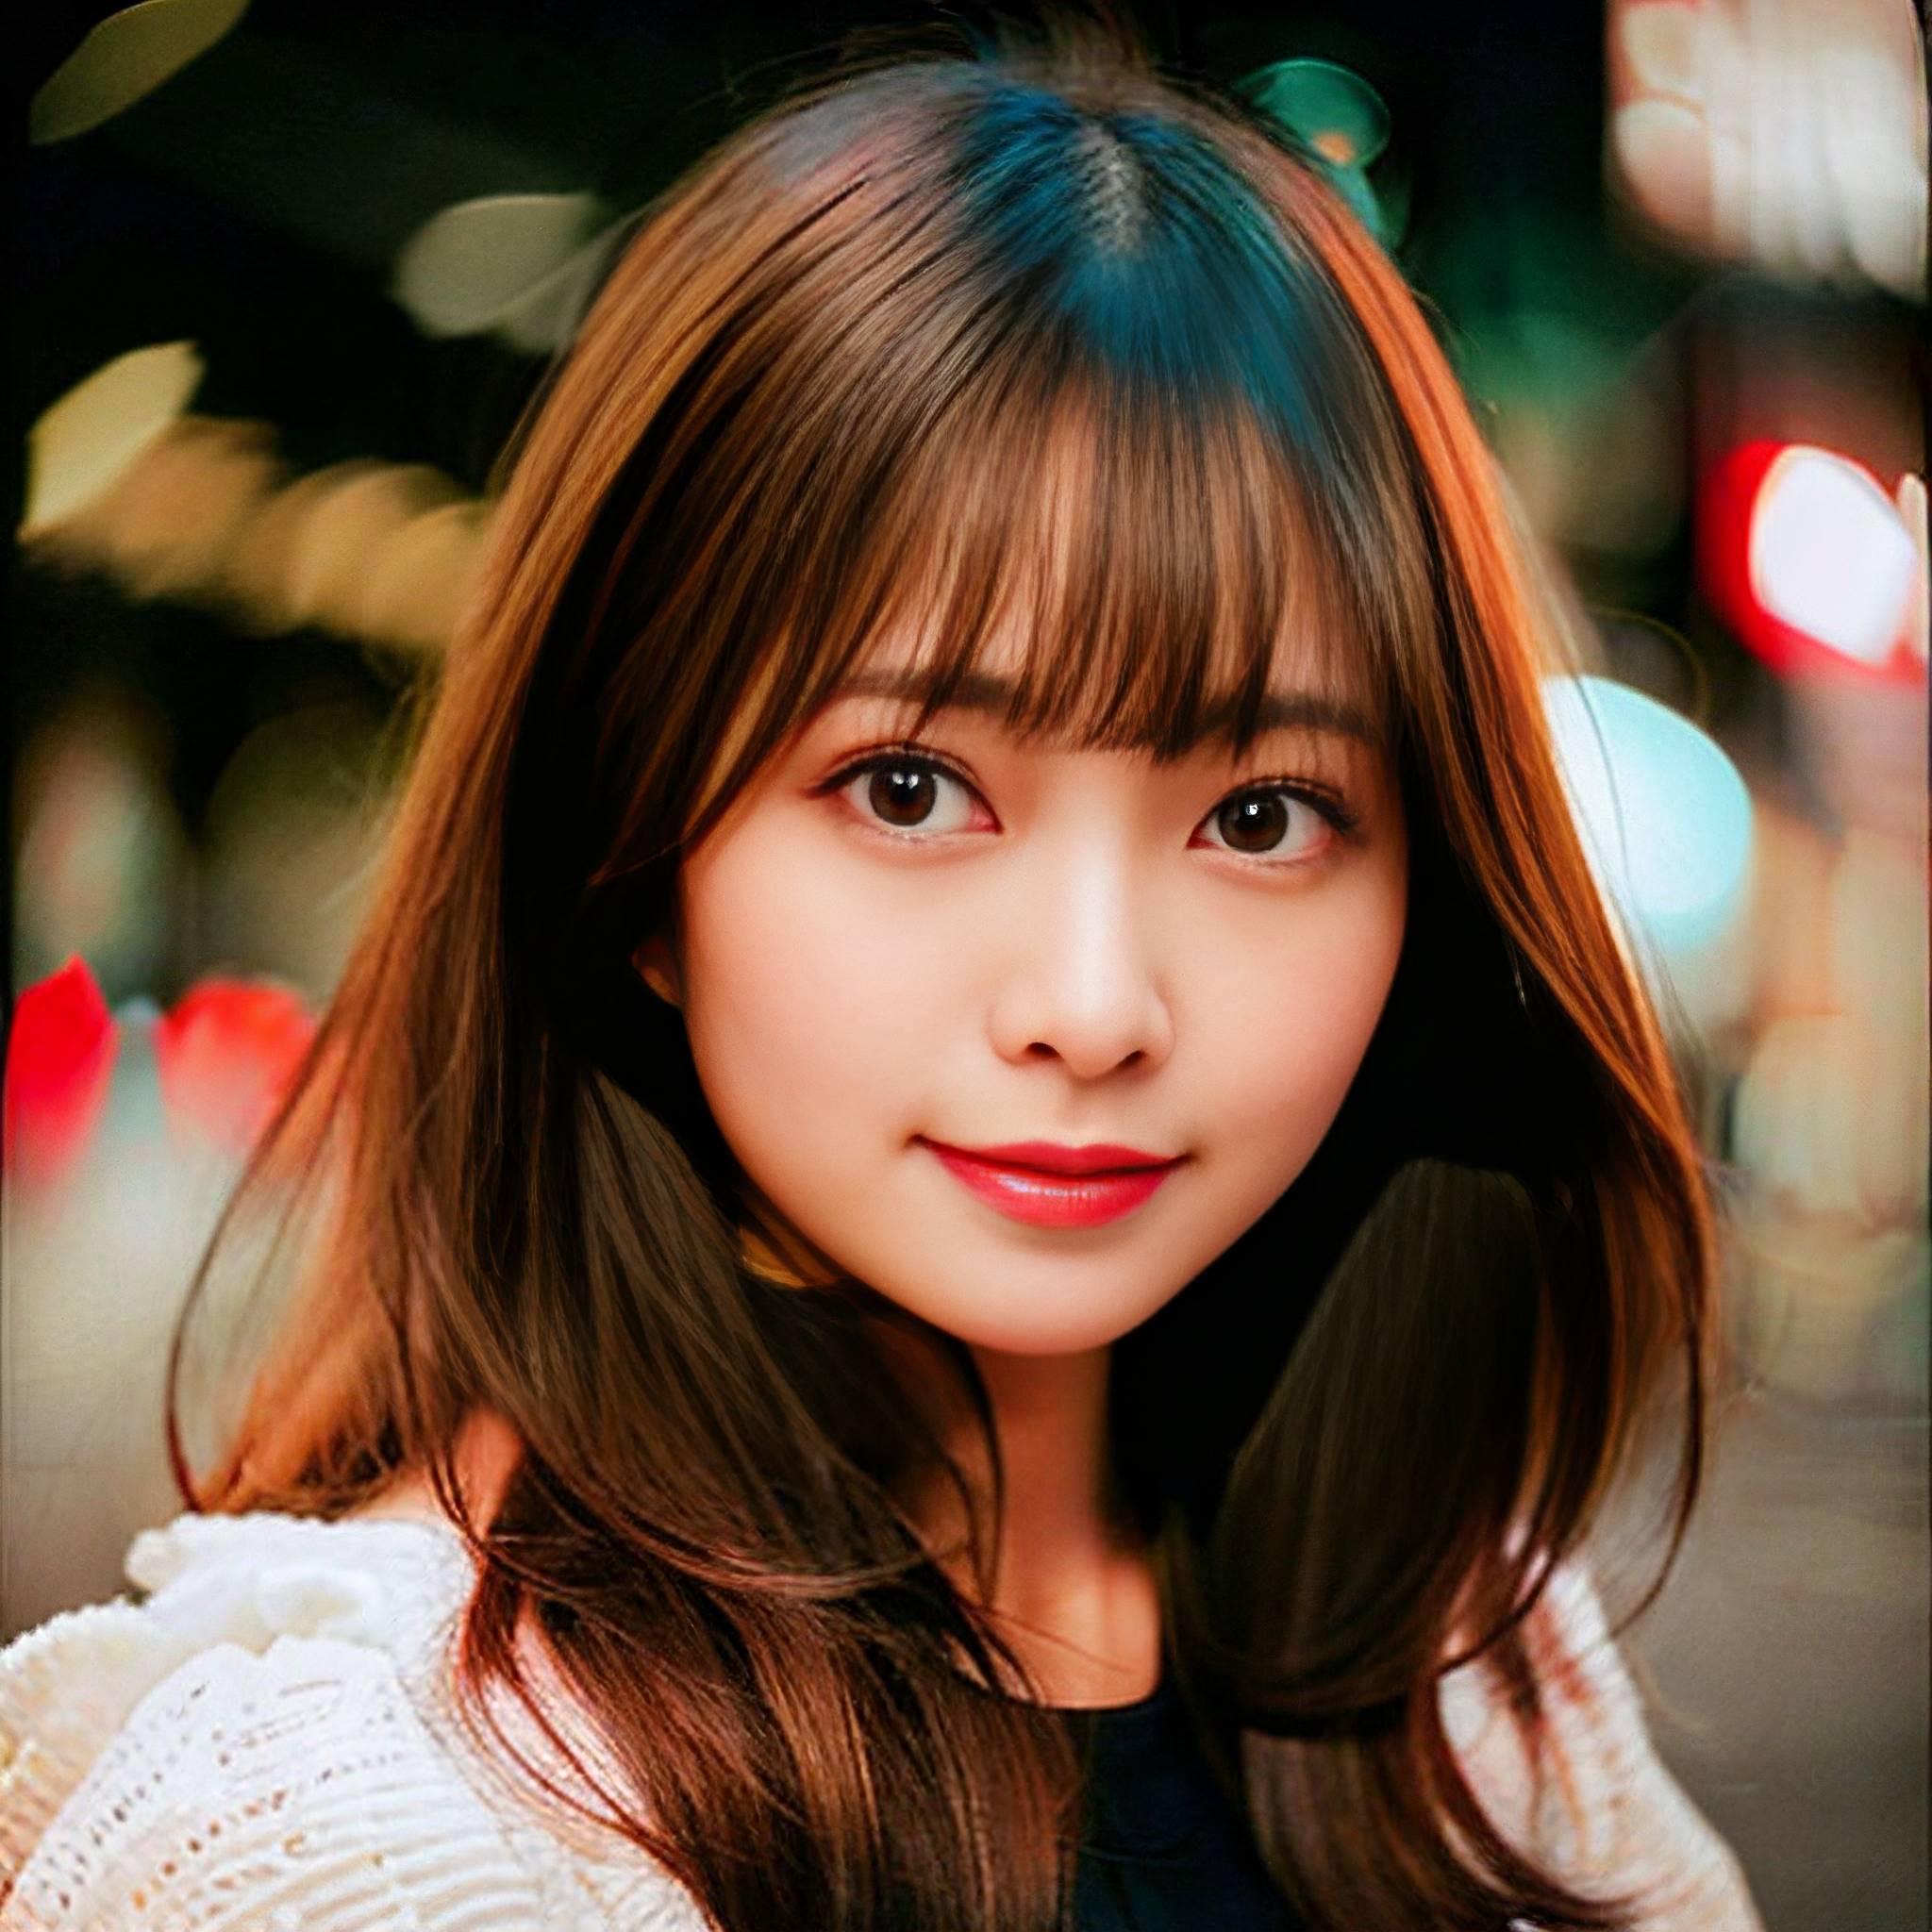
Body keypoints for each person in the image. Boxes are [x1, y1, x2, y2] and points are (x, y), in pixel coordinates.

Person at [1, 12, 1764, 1930]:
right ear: (630, 853)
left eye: (1261, 816)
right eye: (908, 789)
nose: (1092, 1008)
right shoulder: (360, 1829)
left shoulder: (1471, 1674)